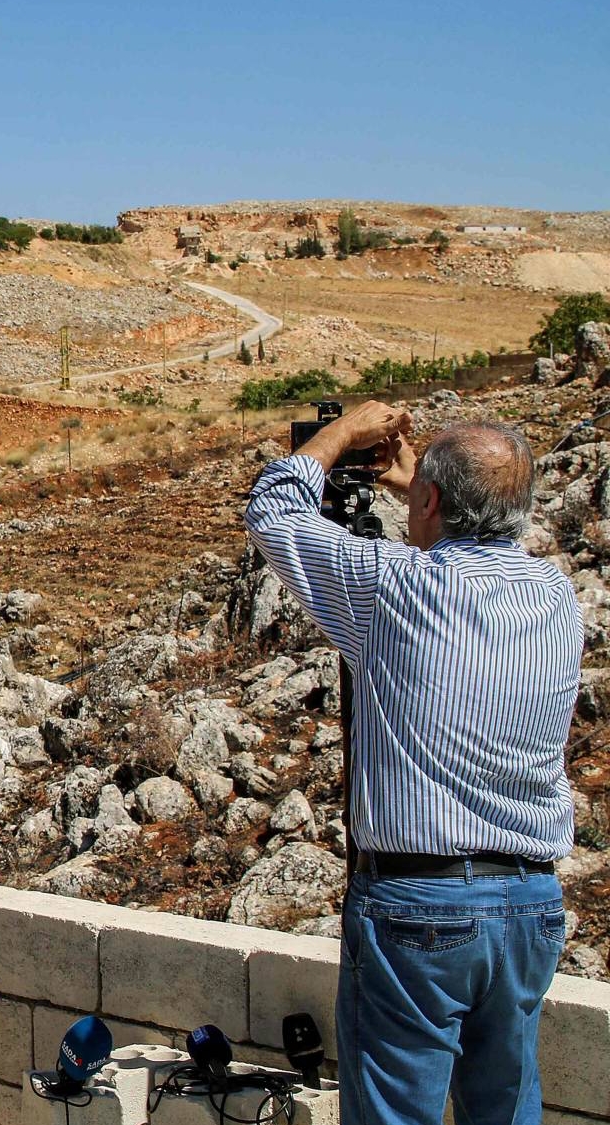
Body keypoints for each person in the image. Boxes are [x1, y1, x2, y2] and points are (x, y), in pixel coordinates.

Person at [245, 402, 580, 1125]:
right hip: (529, 905)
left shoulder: (392, 587)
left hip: (418, 910)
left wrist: (342, 437)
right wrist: (419, 490)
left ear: (431, 501)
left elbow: (273, 509)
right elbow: (484, 538)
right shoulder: (557, 596)